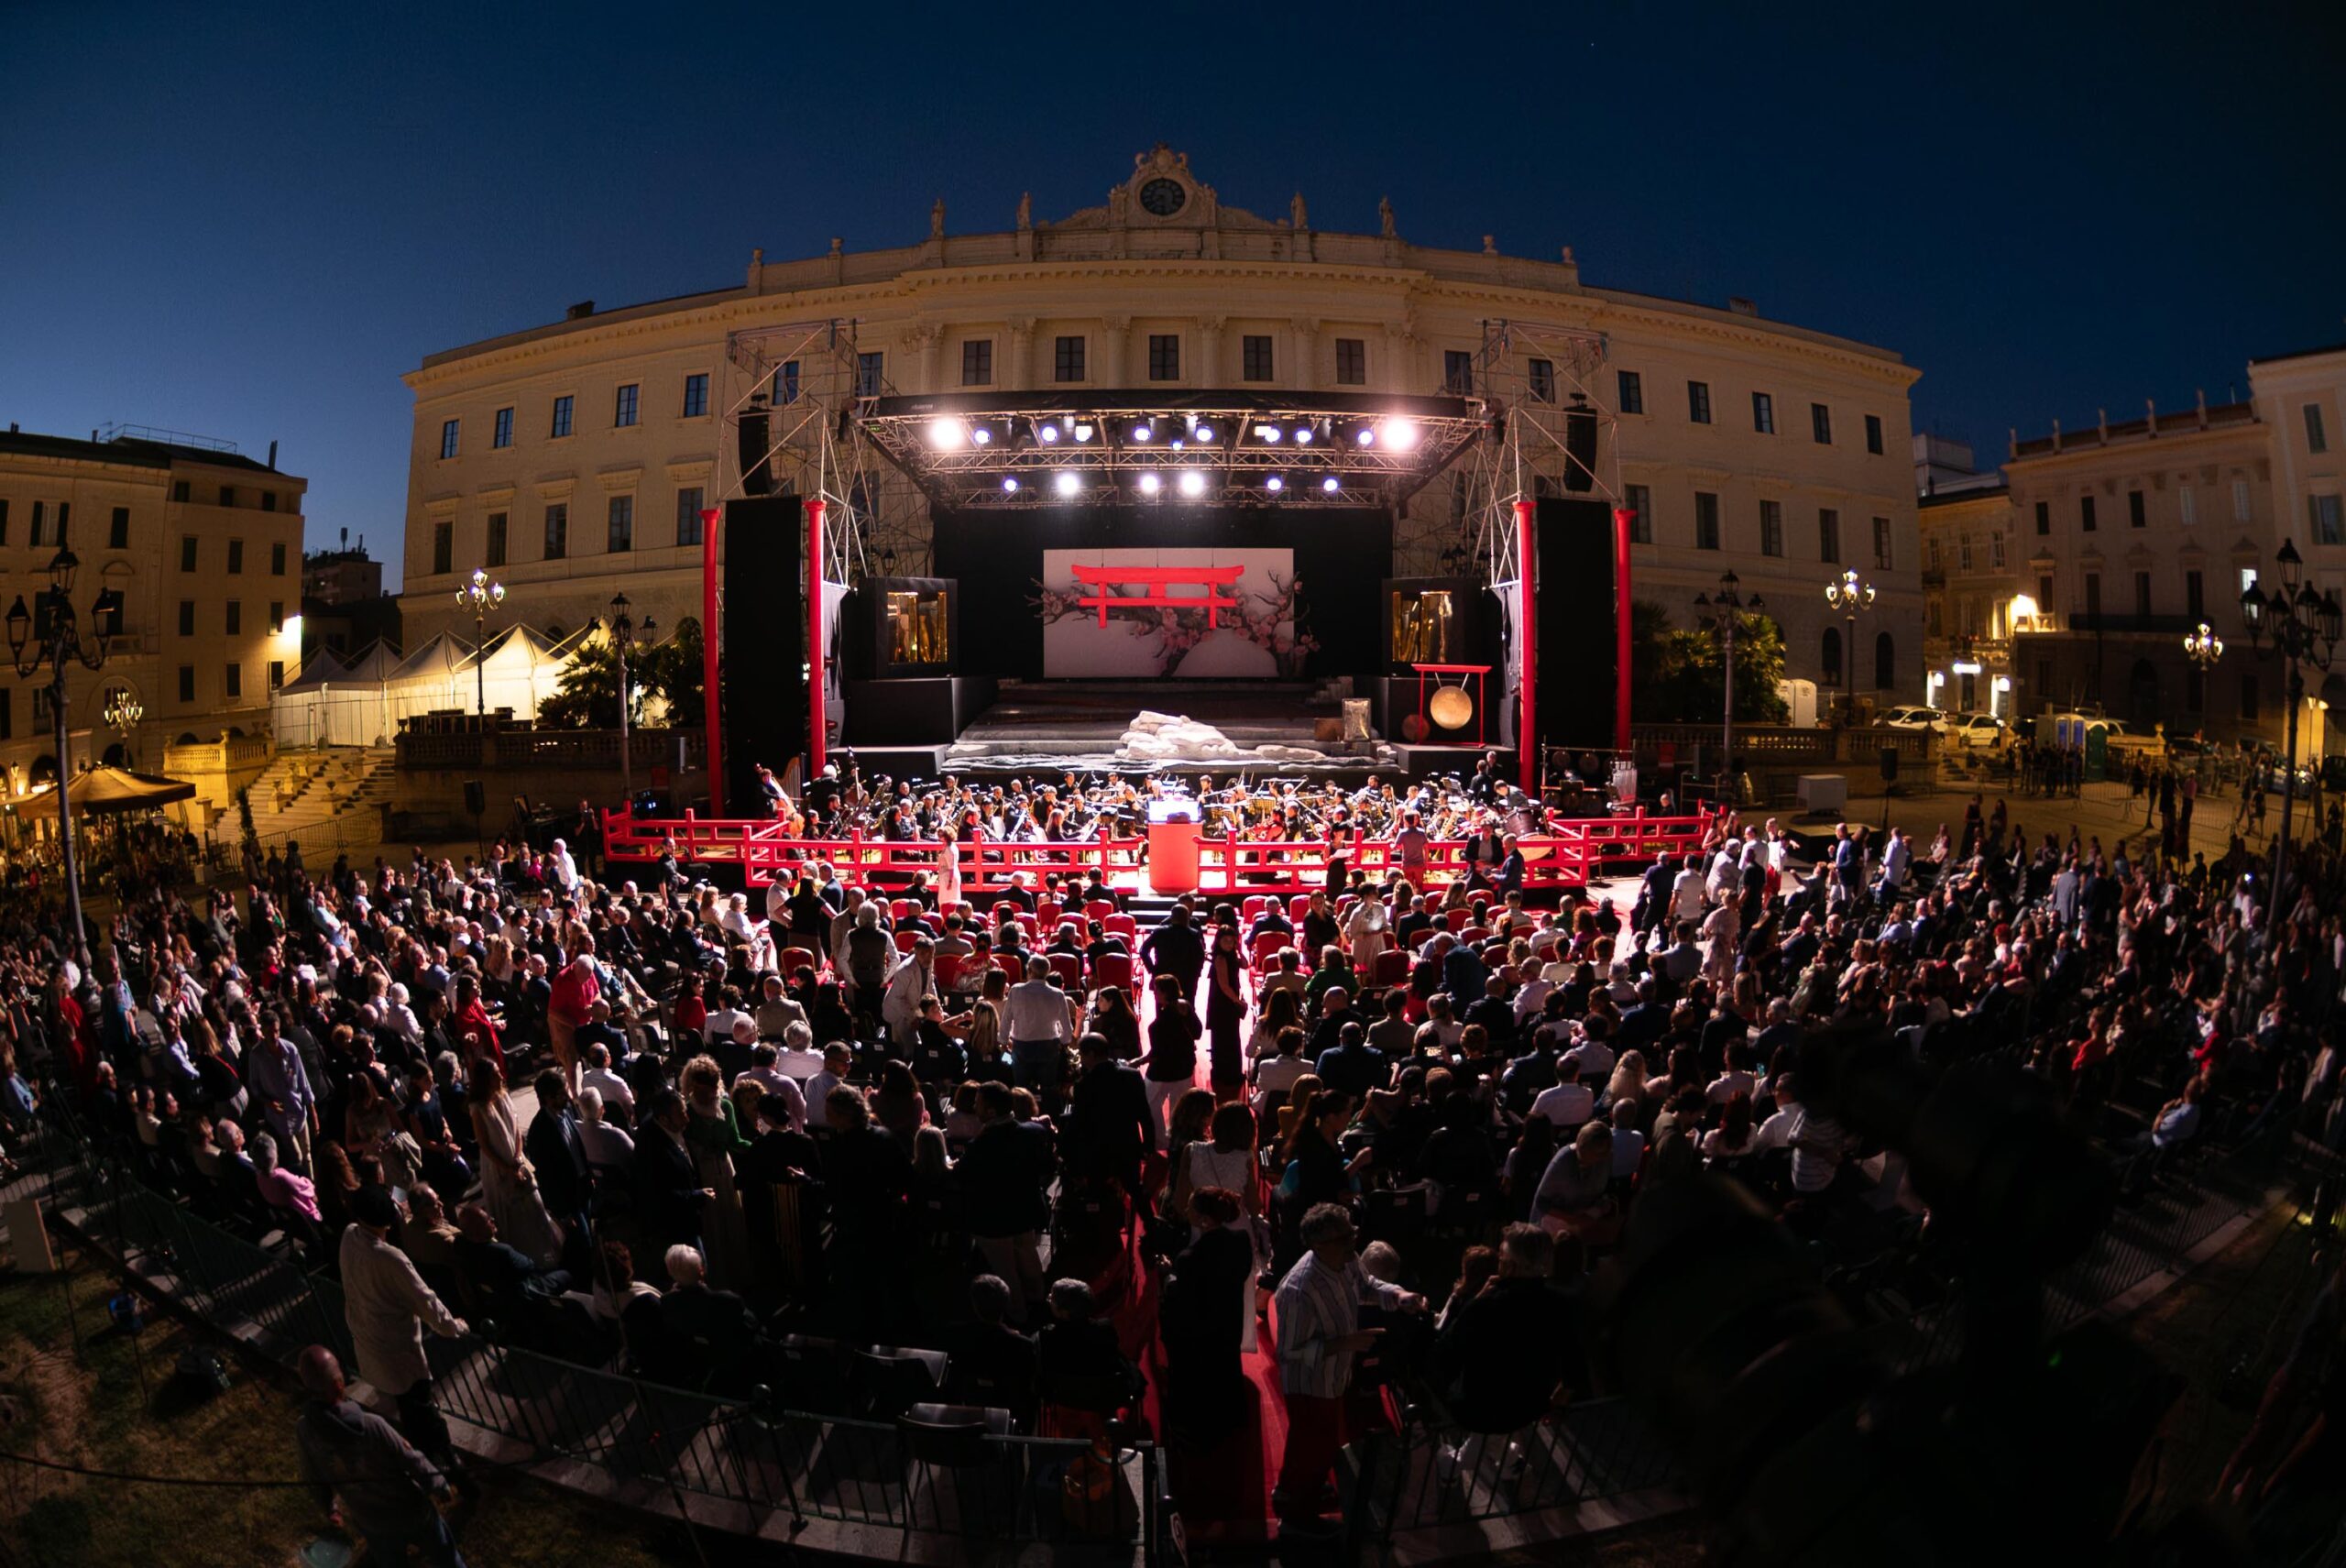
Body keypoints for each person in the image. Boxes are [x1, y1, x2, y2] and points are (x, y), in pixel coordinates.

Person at [1272, 1202, 1425, 1519]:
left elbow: (1366, 1285)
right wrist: (1345, 1343)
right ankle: (1293, 1501)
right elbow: (1289, 1351)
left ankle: (1308, 1486)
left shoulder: (1345, 1258)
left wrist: (1398, 1296)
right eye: (1345, 1238)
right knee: (1309, 1443)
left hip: (1334, 1375)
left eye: (1352, 1233)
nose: (1353, 1242)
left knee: (1321, 1441)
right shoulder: (1299, 1290)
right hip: (1310, 1385)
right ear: (1318, 1245)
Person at [294, 1344, 467, 1568]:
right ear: (338, 1384)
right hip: (411, 1512)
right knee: (446, 1558)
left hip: (371, 1520)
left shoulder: (305, 1431)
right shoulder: (371, 1426)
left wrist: (328, 1506)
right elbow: (410, 1458)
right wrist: (438, 1484)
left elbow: (312, 1475)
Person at [339, 1184, 469, 1476]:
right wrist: (456, 1327)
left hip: (370, 1344)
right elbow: (427, 1302)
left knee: (411, 1411)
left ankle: (430, 1459)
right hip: (397, 1353)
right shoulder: (391, 1258)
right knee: (423, 1413)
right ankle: (445, 1465)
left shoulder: (349, 1236)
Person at [1162, 1185, 1257, 1442]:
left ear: (1204, 1218)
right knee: (1226, 1367)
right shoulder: (1240, 1241)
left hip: (1200, 1329)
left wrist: (1168, 1276)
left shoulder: (1190, 1257)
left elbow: (1181, 1296)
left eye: (1191, 1206)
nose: (1186, 1209)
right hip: (1229, 1320)